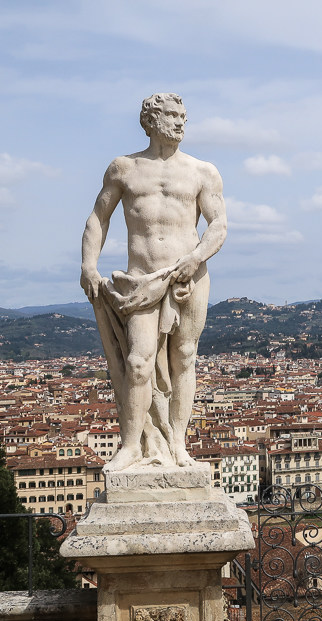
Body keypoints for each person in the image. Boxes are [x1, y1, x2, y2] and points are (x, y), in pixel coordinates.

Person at [80, 93, 227, 472]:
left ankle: (178, 444)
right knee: (137, 362)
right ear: (150, 121)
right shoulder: (124, 168)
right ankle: (132, 446)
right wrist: (89, 266)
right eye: (172, 115)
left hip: (189, 275)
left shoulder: (202, 171)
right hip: (142, 280)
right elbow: (98, 218)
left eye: (183, 116)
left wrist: (195, 258)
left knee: (185, 357)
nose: (180, 122)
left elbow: (219, 225)